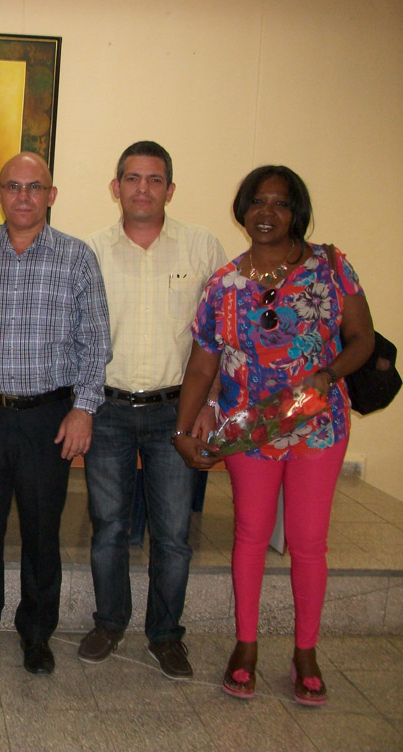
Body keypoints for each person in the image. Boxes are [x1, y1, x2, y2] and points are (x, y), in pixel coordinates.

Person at [173, 165, 374, 705]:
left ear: (297, 212)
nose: (267, 213)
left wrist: (328, 375)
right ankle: (245, 646)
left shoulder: (330, 268)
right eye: (257, 203)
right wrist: (184, 427)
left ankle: (305, 651)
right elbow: (201, 365)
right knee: (250, 535)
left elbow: (362, 339)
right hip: (249, 429)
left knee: (308, 541)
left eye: (280, 204)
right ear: (242, 210)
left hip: (318, 424)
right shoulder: (224, 283)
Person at [0, 152, 110, 675]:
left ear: (51, 195)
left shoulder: (77, 257)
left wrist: (84, 408)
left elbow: (95, 342)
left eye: (33, 187)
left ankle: (37, 632)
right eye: (13, 186)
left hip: (49, 417)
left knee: (42, 532)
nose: (23, 196)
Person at [81, 141, 227, 680]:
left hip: (176, 411)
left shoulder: (202, 249)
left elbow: (220, 338)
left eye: (155, 179)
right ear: (116, 186)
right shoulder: (90, 251)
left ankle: (166, 635)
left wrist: (210, 405)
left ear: (170, 188)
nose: (143, 188)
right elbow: (79, 337)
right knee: (109, 528)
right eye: (133, 178)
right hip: (109, 410)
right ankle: (109, 622)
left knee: (172, 535)